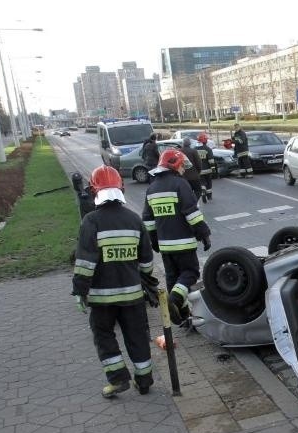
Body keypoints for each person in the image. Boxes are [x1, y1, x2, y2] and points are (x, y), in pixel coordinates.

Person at [72, 165, 159, 399]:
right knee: (138, 336)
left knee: (103, 335)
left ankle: (118, 378)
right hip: (133, 296)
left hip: (102, 298)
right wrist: (145, 281)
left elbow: (85, 263)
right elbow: (147, 261)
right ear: (120, 187)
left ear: (94, 191)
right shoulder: (133, 219)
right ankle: (144, 381)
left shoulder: (91, 221)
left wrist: (80, 292)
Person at [142, 149, 212, 326]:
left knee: (173, 278)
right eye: (181, 165)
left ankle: (181, 316)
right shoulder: (180, 184)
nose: (183, 169)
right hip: (184, 243)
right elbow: (192, 213)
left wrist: (154, 240)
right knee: (190, 273)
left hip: (165, 246)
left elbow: (148, 220)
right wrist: (204, 234)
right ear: (174, 165)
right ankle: (173, 301)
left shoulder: (151, 189)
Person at [195, 132, 216, 202]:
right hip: (208, 170)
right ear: (205, 140)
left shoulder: (194, 150)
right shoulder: (207, 149)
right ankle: (209, 196)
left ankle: (203, 190)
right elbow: (211, 160)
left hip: (199, 170)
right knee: (209, 182)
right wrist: (213, 169)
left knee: (202, 182)